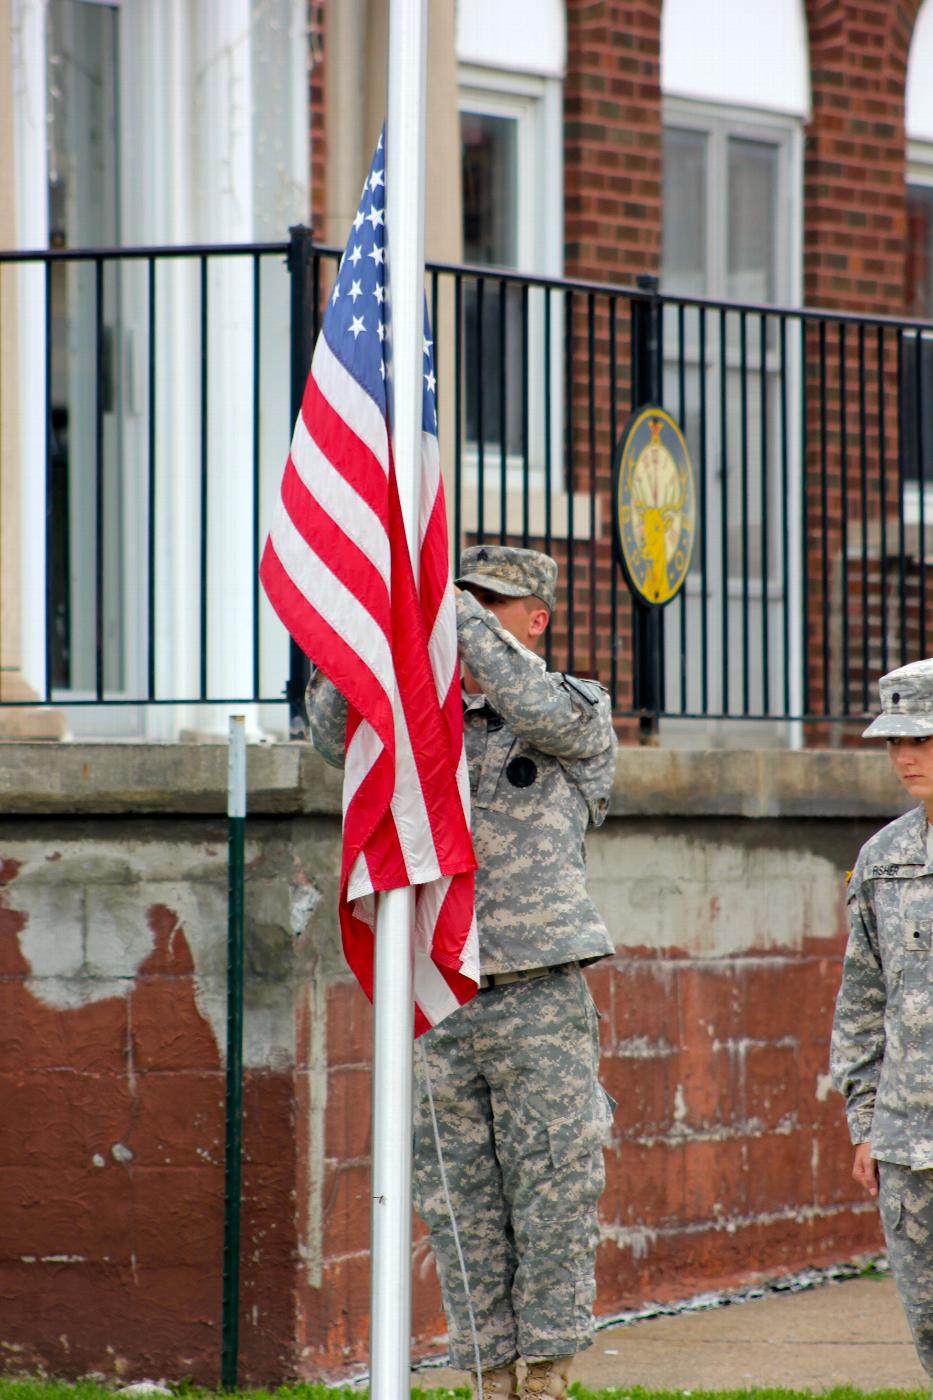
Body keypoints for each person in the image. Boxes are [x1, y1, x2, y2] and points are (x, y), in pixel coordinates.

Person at [306, 544, 617, 1400]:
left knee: (552, 1185)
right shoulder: (417, 724)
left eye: (489, 606)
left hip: (536, 988)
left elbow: (530, 701)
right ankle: (486, 1377)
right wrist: (388, 617)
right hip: (440, 993)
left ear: (535, 619)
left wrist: (448, 609)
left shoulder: (572, 709)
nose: (465, 621)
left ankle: (545, 1373)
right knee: (455, 1199)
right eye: (463, 603)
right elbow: (332, 730)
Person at [831, 657, 933, 1387]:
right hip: (907, 1146)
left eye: (922, 739)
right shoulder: (884, 860)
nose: (903, 756)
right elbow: (861, 1000)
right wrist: (863, 1122)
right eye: (893, 741)